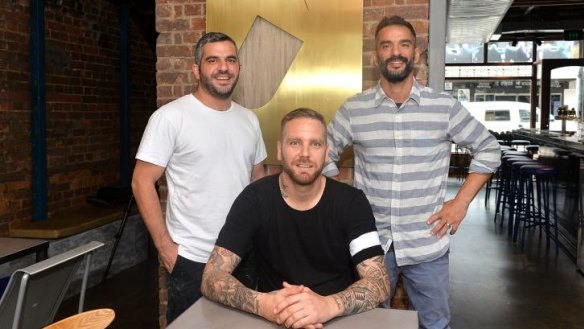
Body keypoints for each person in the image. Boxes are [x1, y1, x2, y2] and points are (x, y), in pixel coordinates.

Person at [324, 16, 501, 329]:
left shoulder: (443, 107)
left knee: (436, 325)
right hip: (371, 246)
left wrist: (460, 203)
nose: (396, 52)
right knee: (368, 324)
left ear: (416, 54)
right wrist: (342, 199)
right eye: (386, 45)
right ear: (375, 56)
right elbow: (324, 153)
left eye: (404, 44)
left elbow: (488, 149)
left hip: (427, 242)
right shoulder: (355, 109)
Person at [201, 108, 390, 329]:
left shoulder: (351, 203)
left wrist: (326, 306)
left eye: (315, 144)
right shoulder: (254, 199)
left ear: (327, 153)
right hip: (273, 317)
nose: (305, 153)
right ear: (279, 150)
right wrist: (264, 305)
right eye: (295, 143)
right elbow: (211, 276)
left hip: (338, 319)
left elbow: (379, 281)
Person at [131, 32, 267, 323]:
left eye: (230, 60)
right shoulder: (170, 117)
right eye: (213, 60)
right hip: (193, 258)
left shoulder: (249, 120)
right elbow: (141, 181)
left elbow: (257, 178)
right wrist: (164, 245)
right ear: (196, 69)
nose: (223, 67)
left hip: (242, 255)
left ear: (238, 67)